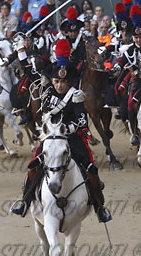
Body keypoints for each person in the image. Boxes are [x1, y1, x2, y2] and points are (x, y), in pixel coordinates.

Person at [10, 38, 112, 223]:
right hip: (49, 138)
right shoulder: (47, 91)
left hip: (71, 137)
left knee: (90, 168)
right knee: (33, 166)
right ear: (52, 80)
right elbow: (28, 71)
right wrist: (21, 51)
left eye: (63, 82)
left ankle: (99, 207)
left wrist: (67, 129)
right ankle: (25, 201)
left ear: (68, 81)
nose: (59, 85)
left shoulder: (76, 95)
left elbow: (82, 119)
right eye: (56, 81)